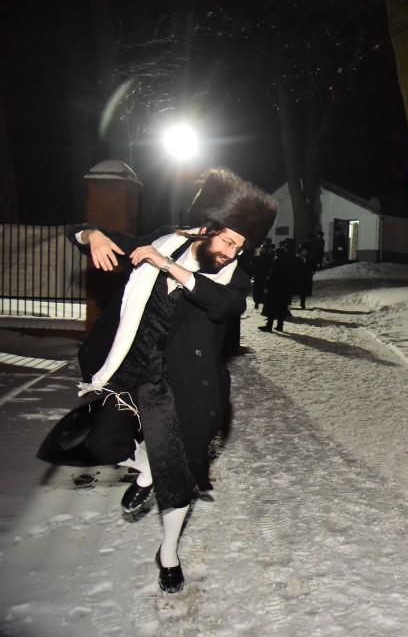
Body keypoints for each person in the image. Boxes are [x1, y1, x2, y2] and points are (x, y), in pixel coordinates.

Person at [47, 167, 276, 594]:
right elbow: (88, 233)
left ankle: (168, 552)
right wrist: (92, 236)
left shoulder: (231, 277)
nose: (230, 253)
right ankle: (145, 468)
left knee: (179, 473)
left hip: (181, 384)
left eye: (239, 248)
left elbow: (227, 306)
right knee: (100, 444)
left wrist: (171, 268)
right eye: (227, 242)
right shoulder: (162, 240)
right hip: (129, 370)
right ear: (205, 229)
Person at [260, 245, 293, 332]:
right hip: (284, 289)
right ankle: (280, 325)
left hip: (275, 289)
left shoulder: (276, 262)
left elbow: (272, 276)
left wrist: (267, 286)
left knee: (272, 308)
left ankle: (269, 326)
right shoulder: (288, 262)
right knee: (282, 307)